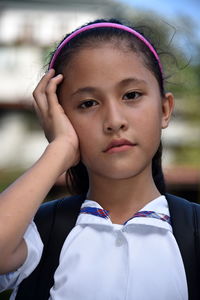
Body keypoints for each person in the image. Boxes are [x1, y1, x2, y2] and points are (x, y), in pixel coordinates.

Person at [0, 18, 198, 300]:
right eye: (88, 103)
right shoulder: (39, 235)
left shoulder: (194, 231)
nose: (114, 121)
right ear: (62, 118)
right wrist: (60, 147)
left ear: (165, 109)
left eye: (131, 95)